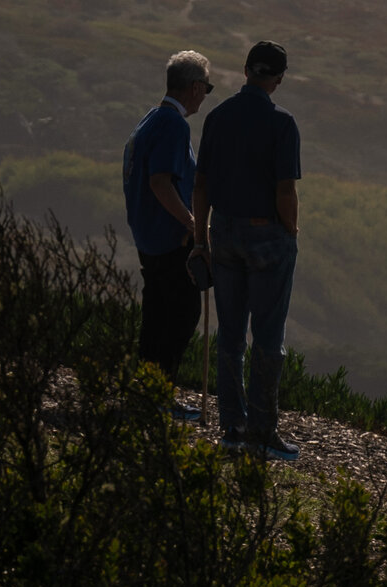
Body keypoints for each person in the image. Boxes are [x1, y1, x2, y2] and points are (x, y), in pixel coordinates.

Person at [194, 40, 302, 462]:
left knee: (230, 334)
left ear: (244, 71)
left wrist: (201, 240)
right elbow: (285, 191)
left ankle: (232, 427)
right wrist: (290, 231)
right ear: (277, 79)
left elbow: (200, 186)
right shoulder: (282, 123)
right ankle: (262, 430)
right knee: (268, 337)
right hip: (266, 235)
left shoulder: (218, 117)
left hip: (222, 231)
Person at [121, 49, 215, 414]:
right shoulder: (174, 125)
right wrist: (193, 225)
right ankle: (158, 395)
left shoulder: (150, 119)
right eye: (206, 87)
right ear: (194, 87)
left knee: (157, 314)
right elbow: (161, 182)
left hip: (147, 237)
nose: (205, 95)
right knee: (180, 314)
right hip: (168, 241)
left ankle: (145, 391)